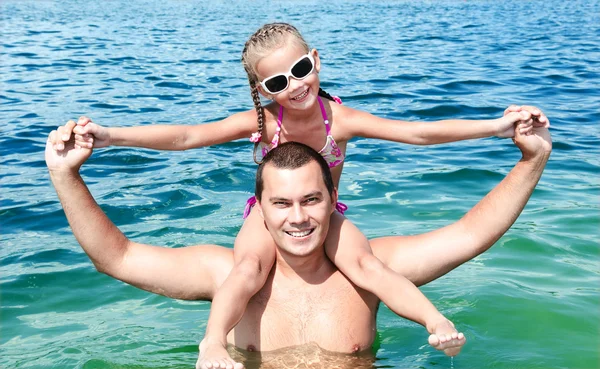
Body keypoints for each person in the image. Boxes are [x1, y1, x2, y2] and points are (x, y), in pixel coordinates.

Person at [49, 23, 550, 369]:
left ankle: (433, 316)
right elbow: (185, 138)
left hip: (338, 218)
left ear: (316, 60)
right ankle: (211, 339)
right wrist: (111, 137)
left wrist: (502, 131)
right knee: (247, 270)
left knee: (370, 267)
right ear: (261, 88)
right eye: (277, 81)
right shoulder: (263, 122)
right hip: (267, 227)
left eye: (301, 69)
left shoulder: (343, 120)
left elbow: (420, 135)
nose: (294, 86)